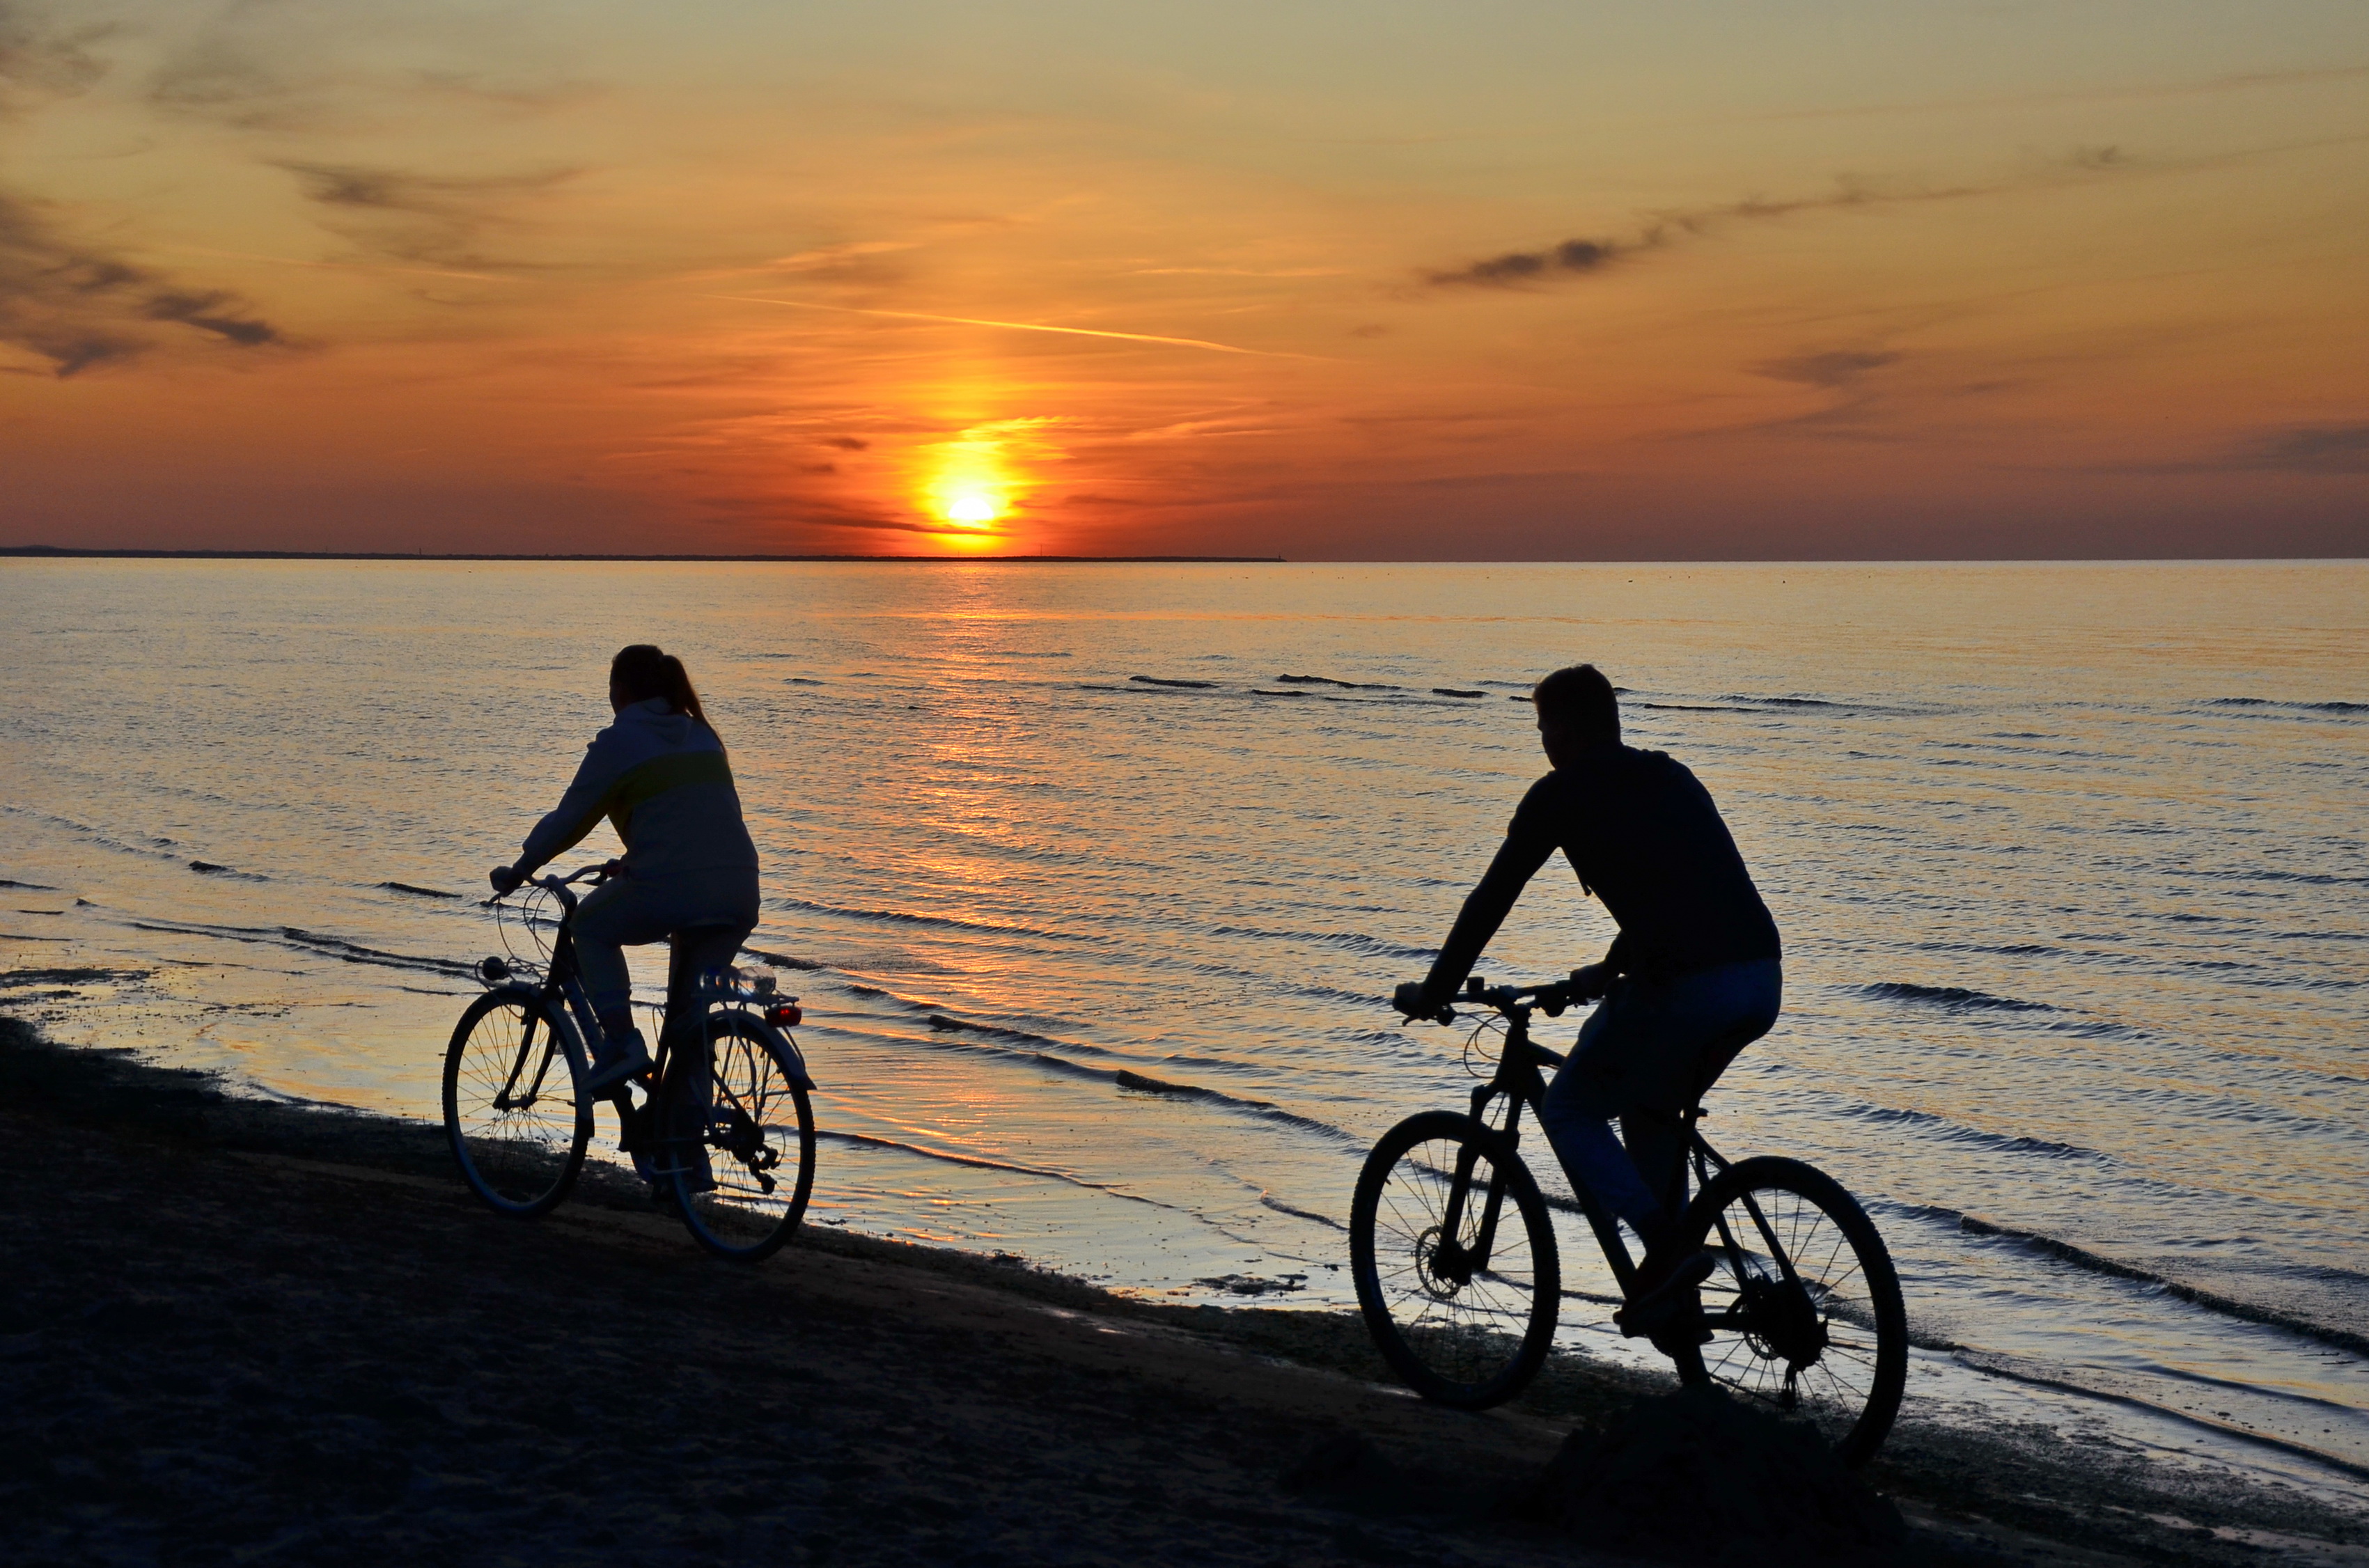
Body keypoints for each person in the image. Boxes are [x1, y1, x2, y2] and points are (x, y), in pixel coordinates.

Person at [1393, 663, 1781, 1342]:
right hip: (1759, 977)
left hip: (1687, 987)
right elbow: (1684, 889)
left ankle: (1667, 1249)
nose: (1543, 742)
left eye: (1544, 729)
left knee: (1571, 1107)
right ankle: (1678, 1310)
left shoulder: (1559, 794)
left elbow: (1491, 898)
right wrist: (1607, 968)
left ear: (1566, 732)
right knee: (1649, 1114)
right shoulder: (1670, 776)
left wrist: (1437, 989)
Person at [492, 645, 761, 1093]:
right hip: (739, 888)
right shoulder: (702, 735)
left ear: (620, 690)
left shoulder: (620, 741)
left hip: (673, 886)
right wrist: (638, 858)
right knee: (690, 1022)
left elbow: (569, 821)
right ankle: (685, 1127)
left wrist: (522, 868)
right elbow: (694, 823)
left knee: (587, 927)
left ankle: (620, 1042)